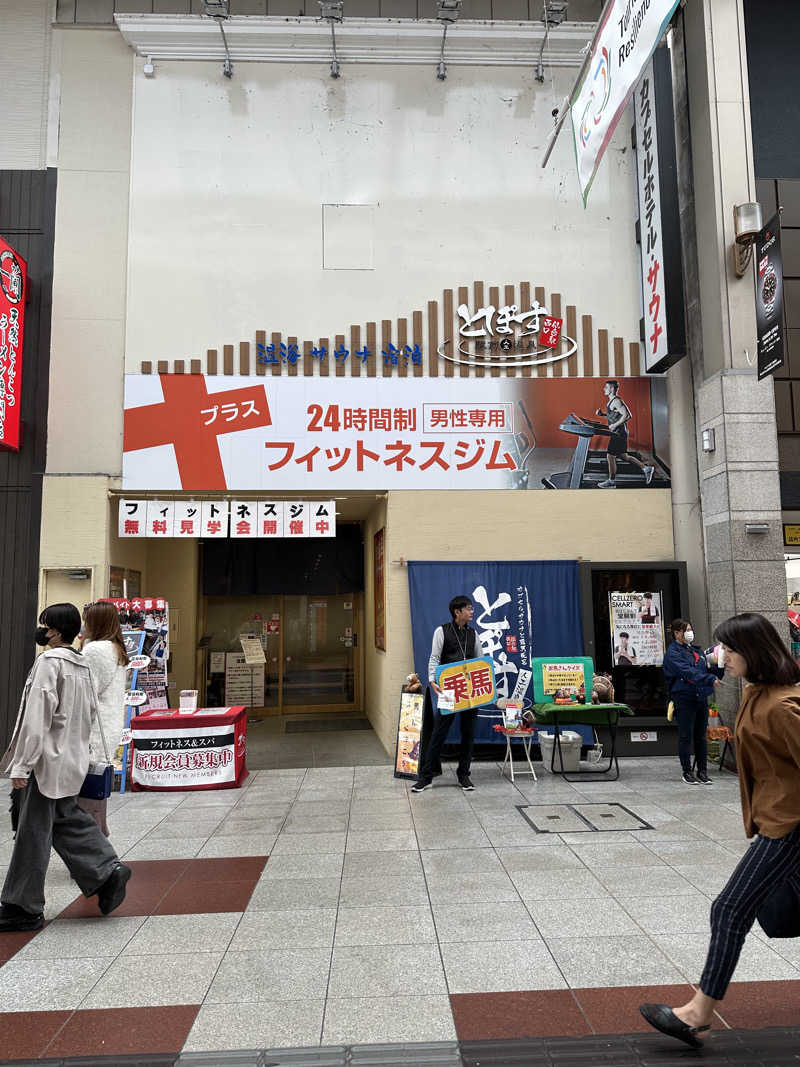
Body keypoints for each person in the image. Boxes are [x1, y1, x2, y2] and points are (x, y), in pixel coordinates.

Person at [641, 612, 800, 1050]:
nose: (721, 656)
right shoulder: (756, 692)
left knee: (730, 909)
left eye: (729, 649)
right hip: (777, 820)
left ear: (753, 652)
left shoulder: (782, 706)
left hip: (789, 826)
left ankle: (697, 1014)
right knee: (779, 913)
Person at [0, 603, 131, 932]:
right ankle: (106, 871)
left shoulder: (49, 663)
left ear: (56, 631)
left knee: (33, 832)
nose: (42, 631)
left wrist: (22, 764)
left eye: (45, 625)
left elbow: (37, 718)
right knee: (65, 819)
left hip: (46, 761)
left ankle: (23, 906)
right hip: (70, 760)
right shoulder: (79, 664)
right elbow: (89, 713)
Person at [412, 595, 479, 793]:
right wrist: (432, 680)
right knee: (439, 732)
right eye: (468, 608)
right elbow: (434, 658)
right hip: (449, 690)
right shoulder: (441, 631)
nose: (472, 611)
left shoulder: (474, 634)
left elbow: (481, 661)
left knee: (469, 732)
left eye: (472, 608)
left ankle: (464, 775)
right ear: (457, 612)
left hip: (469, 692)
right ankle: (426, 776)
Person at [77, 601, 130, 834]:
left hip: (92, 731)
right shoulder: (116, 648)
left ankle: (94, 854)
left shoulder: (94, 650)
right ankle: (100, 841)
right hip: (109, 726)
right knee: (96, 794)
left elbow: (86, 693)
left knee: (84, 802)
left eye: (86, 619)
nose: (83, 625)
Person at [662, 618, 723, 785]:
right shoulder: (673, 653)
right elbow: (687, 672)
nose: (690, 633)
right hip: (683, 698)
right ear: (676, 633)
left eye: (690, 629)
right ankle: (687, 771)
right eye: (686, 630)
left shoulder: (696, 651)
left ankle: (702, 771)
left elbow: (709, 671)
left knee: (701, 736)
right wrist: (709, 678)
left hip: (700, 697)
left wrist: (720, 663)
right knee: (685, 736)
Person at [595, 379, 655, 488]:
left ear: (612, 389)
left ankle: (611, 482)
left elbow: (627, 415)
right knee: (624, 456)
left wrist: (614, 425)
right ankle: (646, 468)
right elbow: (615, 415)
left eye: (606, 387)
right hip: (620, 432)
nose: (604, 389)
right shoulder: (612, 401)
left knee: (610, 456)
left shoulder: (616, 401)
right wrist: (603, 414)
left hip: (619, 433)